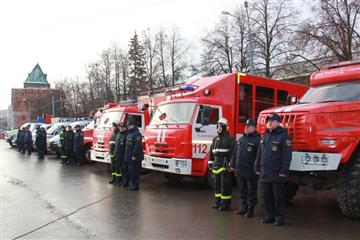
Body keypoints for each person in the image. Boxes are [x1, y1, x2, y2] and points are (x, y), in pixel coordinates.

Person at [255, 113, 292, 226]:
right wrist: (257, 167)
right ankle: (269, 216)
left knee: (278, 197)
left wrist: (283, 171)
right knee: (267, 197)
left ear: (278, 122)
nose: (269, 123)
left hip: (277, 173)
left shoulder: (284, 136)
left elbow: (287, 156)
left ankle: (279, 218)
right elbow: (260, 153)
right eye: (269, 121)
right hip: (265, 172)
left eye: (272, 121)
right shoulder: (265, 135)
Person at [230, 119, 261, 218]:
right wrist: (232, 164)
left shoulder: (258, 140)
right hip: (240, 170)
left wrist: (257, 168)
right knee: (241, 190)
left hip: (250, 170)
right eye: (246, 126)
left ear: (254, 128)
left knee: (251, 190)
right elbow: (235, 153)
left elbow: (259, 156)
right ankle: (244, 207)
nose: (246, 128)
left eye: (248, 126)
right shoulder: (241, 139)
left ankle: (251, 209)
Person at [208, 118, 235, 211]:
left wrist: (231, 164)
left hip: (225, 167)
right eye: (218, 126)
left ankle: (225, 205)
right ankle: (217, 203)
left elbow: (233, 153)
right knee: (217, 187)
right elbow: (211, 153)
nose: (218, 128)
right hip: (216, 166)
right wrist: (210, 162)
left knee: (225, 187)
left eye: (220, 126)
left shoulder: (230, 139)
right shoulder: (215, 139)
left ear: (224, 127)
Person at [124, 116, 143, 191]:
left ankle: (135, 186)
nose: (127, 127)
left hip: (135, 157)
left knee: (135, 172)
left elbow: (137, 146)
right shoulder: (130, 133)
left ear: (132, 125)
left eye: (129, 126)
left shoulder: (137, 134)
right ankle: (132, 185)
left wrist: (134, 155)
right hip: (129, 156)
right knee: (130, 171)